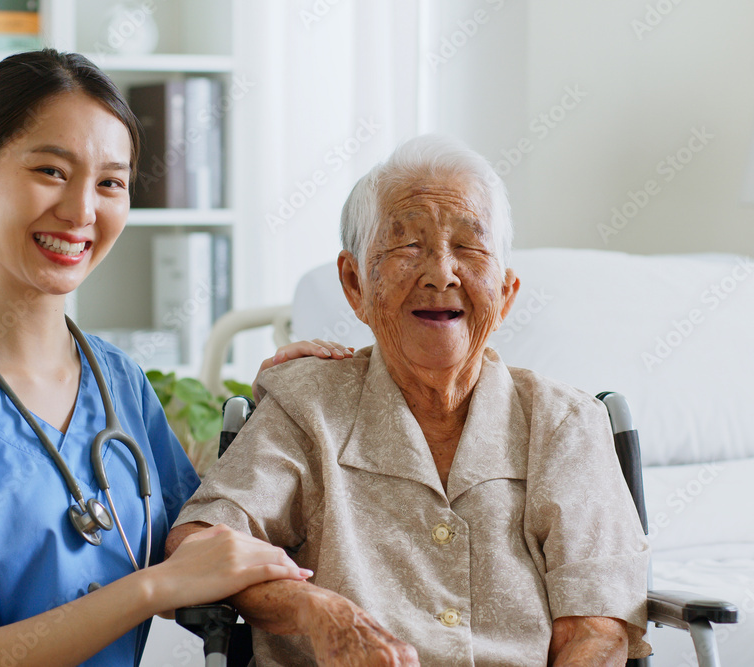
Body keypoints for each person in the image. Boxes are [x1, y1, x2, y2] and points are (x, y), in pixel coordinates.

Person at [0, 49, 349, 666]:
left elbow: (195, 549)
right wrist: (150, 590)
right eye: (51, 170)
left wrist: (278, 414)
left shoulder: (117, 380)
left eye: (110, 183)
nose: (81, 211)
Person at [168, 135, 651, 666]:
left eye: (468, 247)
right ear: (355, 285)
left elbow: (596, 632)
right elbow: (200, 542)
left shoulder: (565, 424)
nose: (441, 273)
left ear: (507, 293)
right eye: (407, 246)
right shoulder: (305, 406)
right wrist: (321, 613)